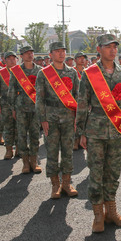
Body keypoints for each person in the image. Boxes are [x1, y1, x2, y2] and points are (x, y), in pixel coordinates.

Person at [76, 33, 121, 232]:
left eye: (115, 46)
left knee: (113, 172)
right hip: (95, 130)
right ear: (99, 49)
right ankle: (98, 215)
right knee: (96, 173)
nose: (113, 50)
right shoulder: (90, 73)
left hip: (116, 130)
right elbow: (82, 103)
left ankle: (112, 212)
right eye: (108, 46)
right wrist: (81, 131)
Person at [35, 42, 80, 199]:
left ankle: (67, 183)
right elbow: (39, 98)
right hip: (51, 118)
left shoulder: (72, 72)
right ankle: (55, 184)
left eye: (63, 51)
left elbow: (77, 96)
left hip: (68, 117)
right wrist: (43, 119)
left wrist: (77, 117)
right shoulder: (44, 73)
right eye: (57, 51)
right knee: (52, 152)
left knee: (68, 151)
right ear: (51, 54)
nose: (61, 54)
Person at [8, 45, 43, 174]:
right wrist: (12, 108)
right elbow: (12, 91)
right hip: (21, 108)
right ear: (21, 56)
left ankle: (34, 161)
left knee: (35, 135)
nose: (30, 55)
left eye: (31, 53)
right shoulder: (16, 71)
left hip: (36, 108)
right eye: (26, 53)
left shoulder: (41, 70)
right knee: (22, 136)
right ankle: (25, 163)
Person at [0, 51, 19, 159]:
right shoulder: (0, 73)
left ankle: (19, 149)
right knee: (8, 128)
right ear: (4, 60)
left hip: (20, 105)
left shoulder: (21, 72)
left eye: (14, 58)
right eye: (9, 58)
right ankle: (9, 150)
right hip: (6, 105)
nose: (12, 60)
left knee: (20, 128)